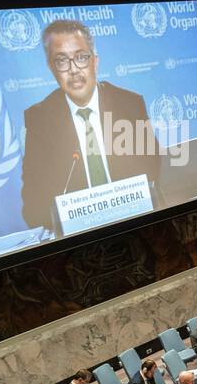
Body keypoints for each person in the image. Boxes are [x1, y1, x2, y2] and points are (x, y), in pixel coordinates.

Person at [19, 19, 160, 231]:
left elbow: (155, 170)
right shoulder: (39, 119)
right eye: (62, 61)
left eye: (81, 57)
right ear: (51, 68)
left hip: (135, 222)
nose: (74, 70)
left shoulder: (129, 104)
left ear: (95, 61)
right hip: (80, 234)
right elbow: (33, 203)